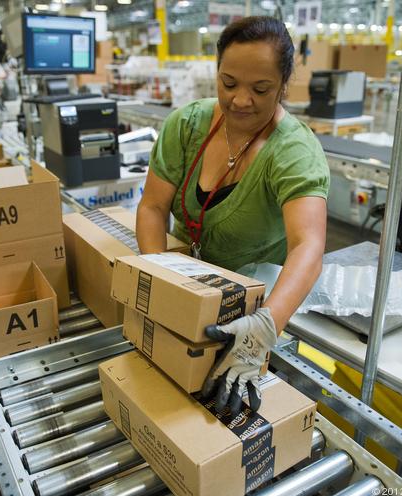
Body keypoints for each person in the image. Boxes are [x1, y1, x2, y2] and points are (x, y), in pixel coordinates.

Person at [136, 16, 330, 415]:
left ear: (284, 84)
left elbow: (308, 245)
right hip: (184, 290)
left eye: (261, 89)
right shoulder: (187, 127)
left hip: (252, 311)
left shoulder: (293, 152)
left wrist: (265, 327)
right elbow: (153, 207)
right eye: (229, 84)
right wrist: (160, 285)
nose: (241, 100)